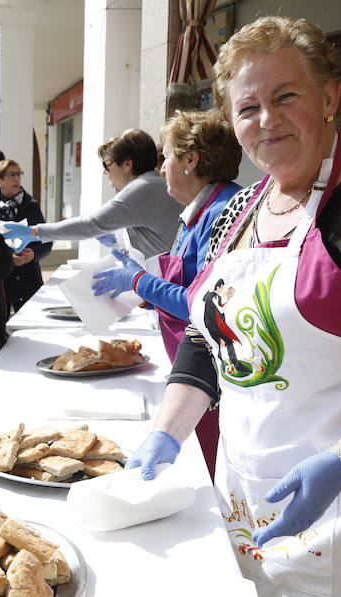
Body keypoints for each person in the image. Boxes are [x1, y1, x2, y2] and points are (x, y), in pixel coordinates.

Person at [126, 17, 341, 597]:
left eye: (286, 97)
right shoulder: (239, 210)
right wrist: (168, 432)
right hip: (243, 496)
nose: (267, 121)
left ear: (331, 96)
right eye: (248, 107)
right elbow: (209, 338)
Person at [90, 109, 242, 478]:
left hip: (210, 381)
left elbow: (200, 305)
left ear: (191, 160)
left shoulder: (223, 213)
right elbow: (182, 283)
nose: (161, 169)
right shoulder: (199, 211)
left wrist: (139, 282)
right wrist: (140, 290)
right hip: (191, 372)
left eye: (167, 157)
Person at [3, 129, 183, 260]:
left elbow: (90, 224)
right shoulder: (150, 184)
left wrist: (33, 231)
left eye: (108, 165)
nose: (106, 172)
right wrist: (115, 241)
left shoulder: (143, 188)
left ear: (128, 164)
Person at [0, 158, 52, 314]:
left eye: (19, 174)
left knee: (31, 328)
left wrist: (34, 254)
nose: (17, 178)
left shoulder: (32, 205)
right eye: (11, 174)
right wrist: (8, 257)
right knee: (0, 331)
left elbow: (46, 242)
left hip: (29, 279)